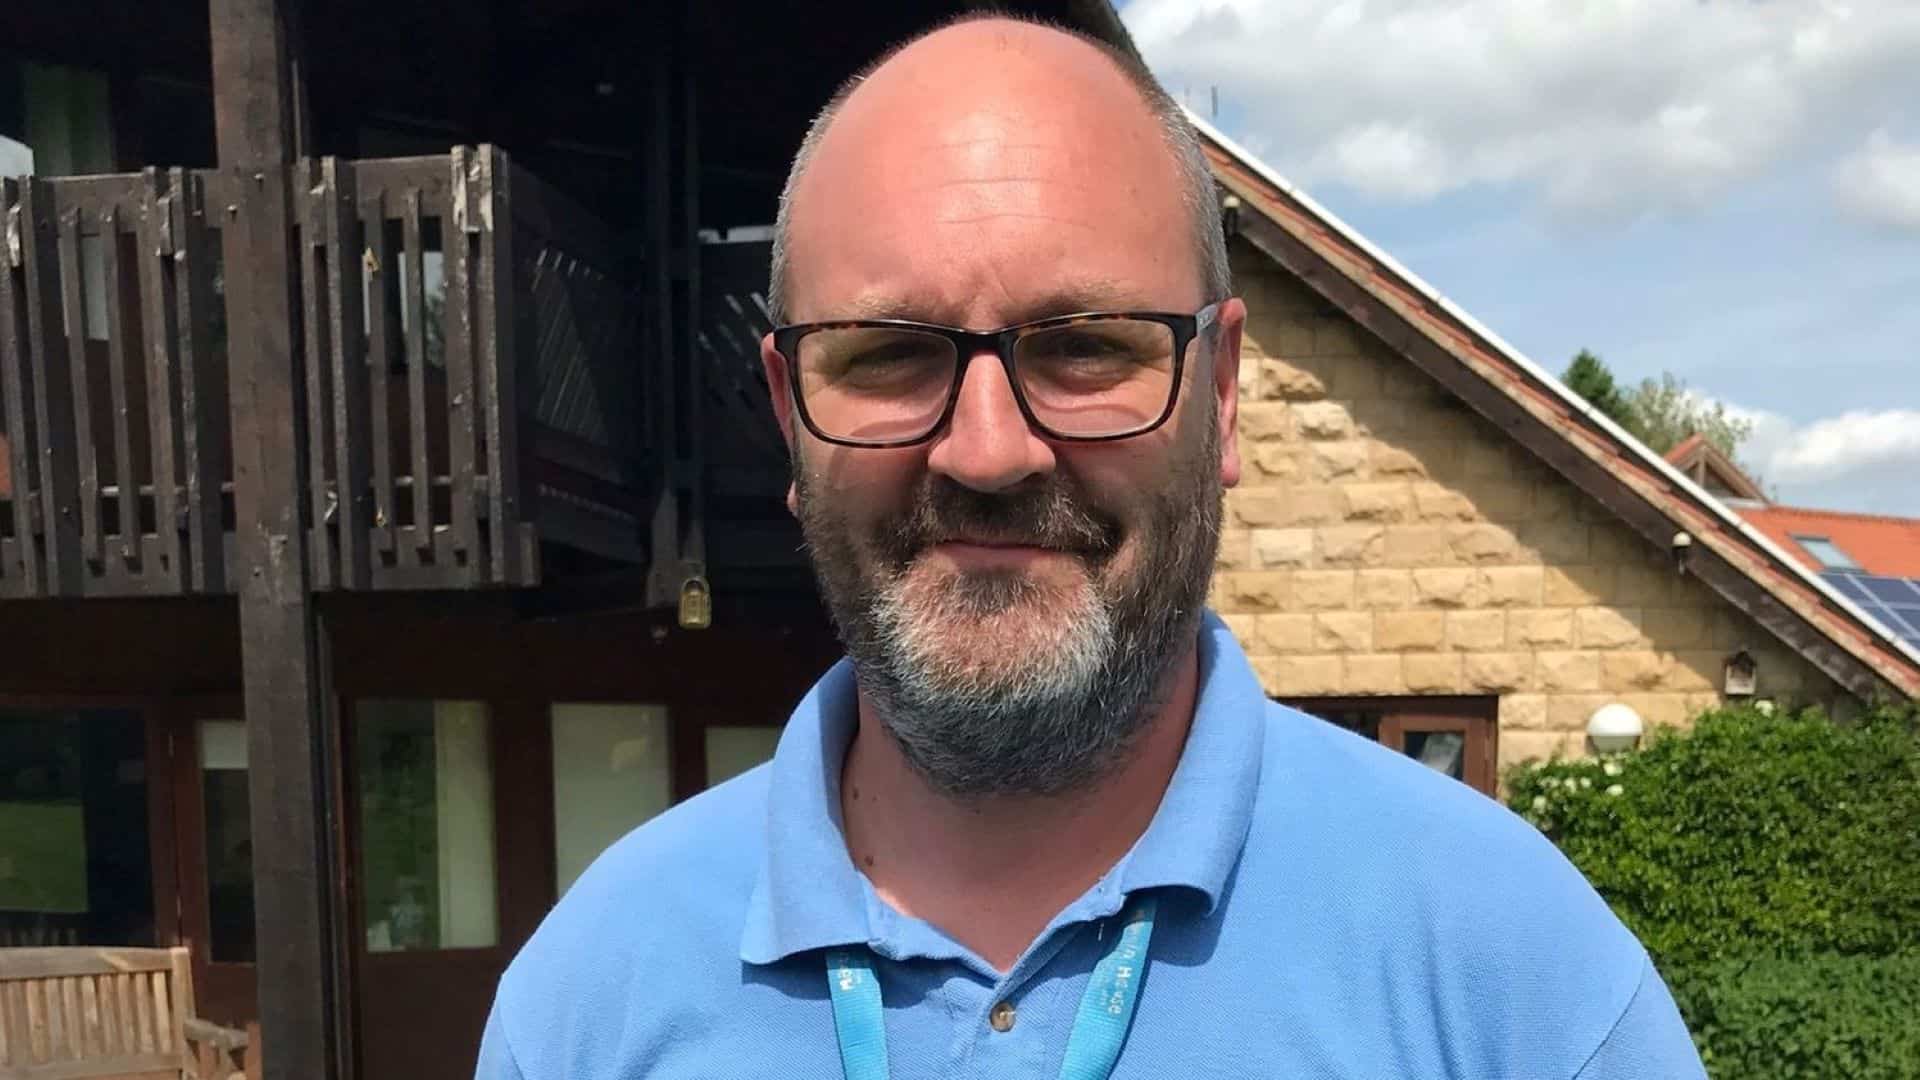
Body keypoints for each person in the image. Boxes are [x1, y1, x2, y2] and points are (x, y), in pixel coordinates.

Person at [476, 14, 1706, 1079]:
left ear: (1222, 396)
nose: (989, 451)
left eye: (1083, 347)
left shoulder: (1508, 971)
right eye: (890, 355)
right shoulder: (589, 999)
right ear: (792, 413)